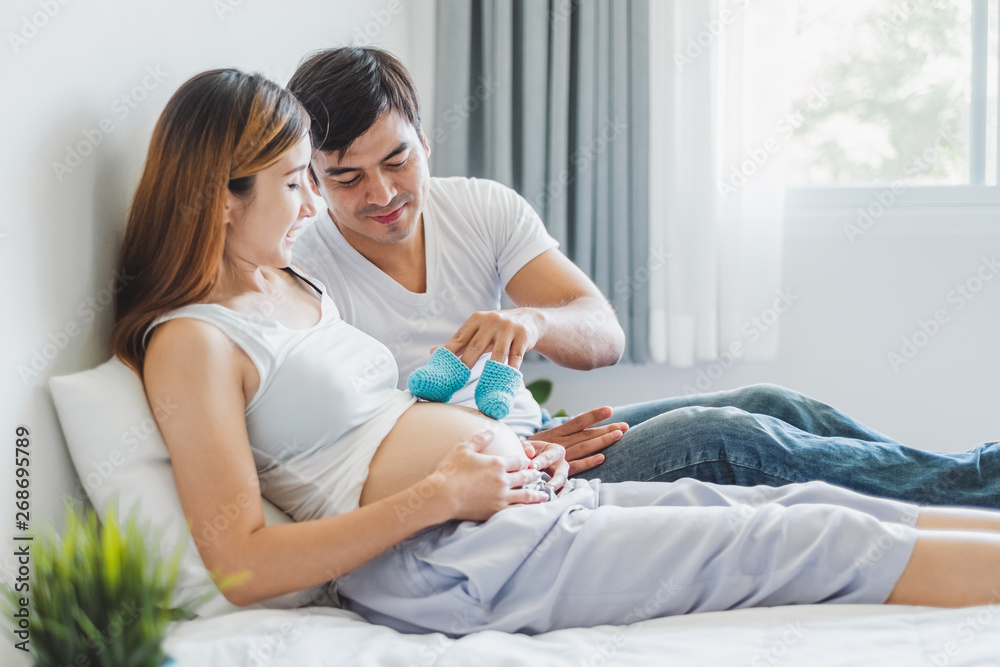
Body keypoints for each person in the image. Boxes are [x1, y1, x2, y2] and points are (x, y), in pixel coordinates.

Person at [111, 68, 1000, 638]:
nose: (321, 200)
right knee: (805, 529)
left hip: (512, 490)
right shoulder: (194, 339)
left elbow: (582, 334)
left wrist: (512, 422)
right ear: (220, 197)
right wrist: (444, 489)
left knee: (810, 487)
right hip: (448, 546)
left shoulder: (286, 286)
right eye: (308, 178)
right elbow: (240, 563)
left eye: (330, 172)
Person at [284, 46, 1000, 508]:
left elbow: (603, 334)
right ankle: (978, 486)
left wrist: (534, 320)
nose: (380, 194)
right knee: (720, 436)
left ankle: (967, 478)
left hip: (547, 442)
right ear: (311, 178)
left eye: (397, 162)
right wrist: (515, 450)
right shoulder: (305, 272)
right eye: (345, 177)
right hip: (499, 480)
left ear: (425, 138)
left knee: (772, 401)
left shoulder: (479, 207)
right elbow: (353, 441)